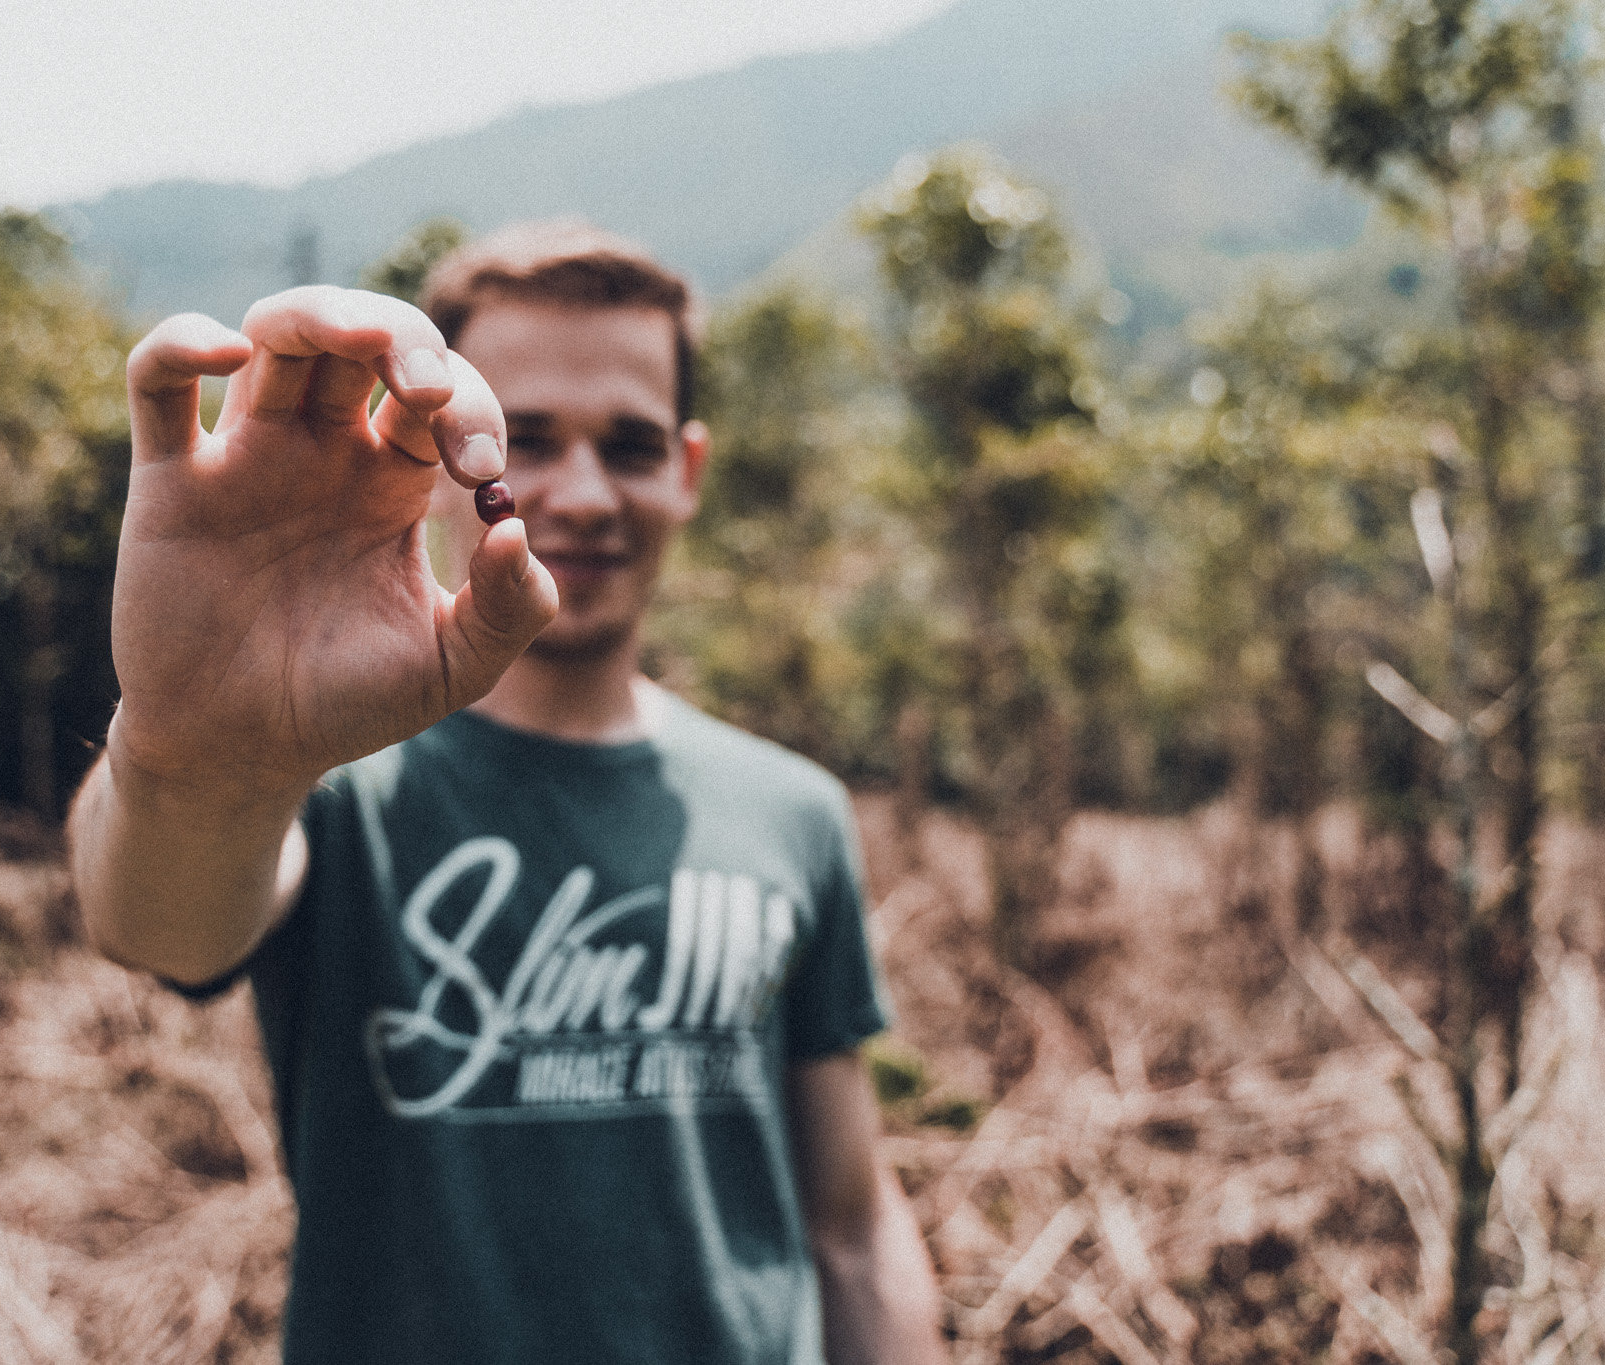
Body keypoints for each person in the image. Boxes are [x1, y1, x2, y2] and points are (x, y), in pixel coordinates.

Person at [67, 219, 949, 1364]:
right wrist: (195, 754)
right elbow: (155, 922)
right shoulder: (325, 788)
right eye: (524, 437)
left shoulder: (792, 813)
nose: (582, 493)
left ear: (685, 472)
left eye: (629, 445)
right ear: (439, 448)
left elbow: (849, 1226)